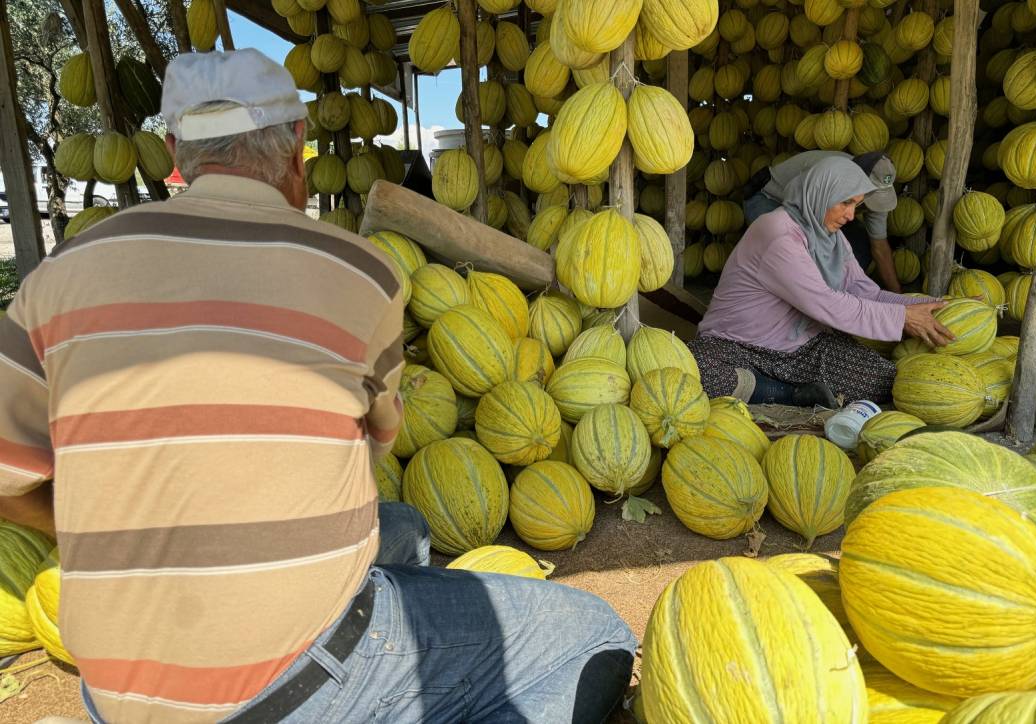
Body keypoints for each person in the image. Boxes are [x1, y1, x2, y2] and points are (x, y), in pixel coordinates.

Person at [0, 49, 635, 723]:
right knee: (597, 638)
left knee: (409, 529)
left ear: (170, 152)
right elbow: (369, 447)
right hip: (290, 690)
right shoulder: (353, 272)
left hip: (116, 690)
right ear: (298, 147)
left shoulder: (60, 278)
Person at [689, 156, 952, 407]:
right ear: (821, 192)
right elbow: (827, 303)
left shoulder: (830, 236)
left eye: (856, 206)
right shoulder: (776, 233)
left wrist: (935, 305)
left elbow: (865, 291)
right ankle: (789, 394)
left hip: (802, 348)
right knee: (699, 370)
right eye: (845, 203)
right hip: (739, 346)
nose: (851, 216)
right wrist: (902, 318)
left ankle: (766, 387)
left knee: (884, 381)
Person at [744, 150, 904, 293]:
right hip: (769, 198)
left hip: (817, 211)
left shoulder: (878, 200)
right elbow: (805, 217)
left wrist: (898, 295)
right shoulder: (828, 172)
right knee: (797, 252)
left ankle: (840, 293)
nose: (852, 215)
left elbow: (879, 247)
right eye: (867, 198)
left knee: (860, 242)